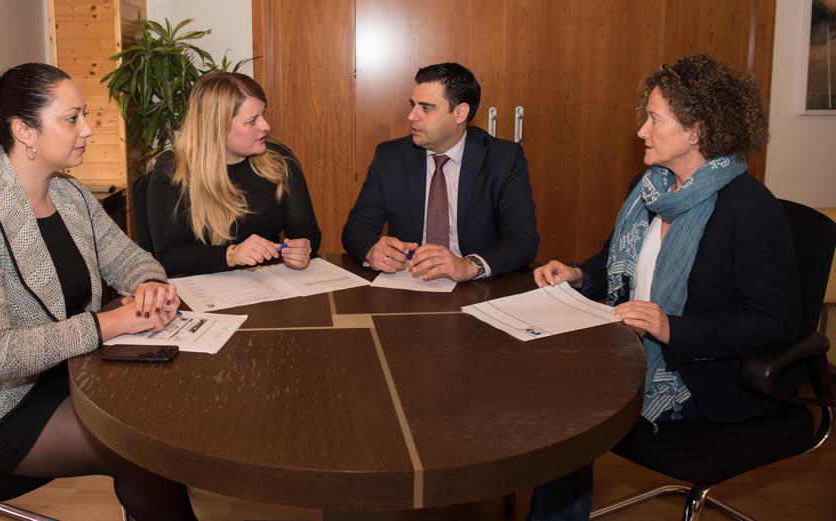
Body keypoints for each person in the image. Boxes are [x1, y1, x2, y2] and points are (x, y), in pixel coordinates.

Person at [0, 64, 199, 521]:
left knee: (159, 423)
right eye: (72, 119)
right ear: (24, 131)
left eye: (83, 115)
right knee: (146, 454)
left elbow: (132, 260)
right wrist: (112, 322)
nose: (87, 128)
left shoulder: (71, 196)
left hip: (54, 375)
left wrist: (148, 285)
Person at [527, 54, 802, 521]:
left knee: (565, 412)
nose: (642, 131)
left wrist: (673, 328)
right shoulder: (650, 188)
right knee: (538, 375)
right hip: (632, 348)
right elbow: (619, 261)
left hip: (703, 376)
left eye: (655, 119)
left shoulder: (750, 209)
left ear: (697, 130)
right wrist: (577, 274)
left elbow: (775, 323)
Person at [341, 62, 538, 281]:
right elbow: (357, 226)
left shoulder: (503, 158)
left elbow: (523, 238)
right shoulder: (390, 157)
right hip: (409, 283)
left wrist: (469, 266)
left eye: (426, 108)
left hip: (478, 288)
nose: (411, 116)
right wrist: (371, 250)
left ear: (460, 113)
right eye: (413, 105)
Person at [147, 71, 321, 275]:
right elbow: (169, 255)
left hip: (268, 283)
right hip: (204, 291)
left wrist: (303, 245)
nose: (266, 126)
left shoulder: (279, 159)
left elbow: (304, 227)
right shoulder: (173, 170)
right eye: (252, 120)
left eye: (263, 114)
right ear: (217, 128)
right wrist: (232, 255)